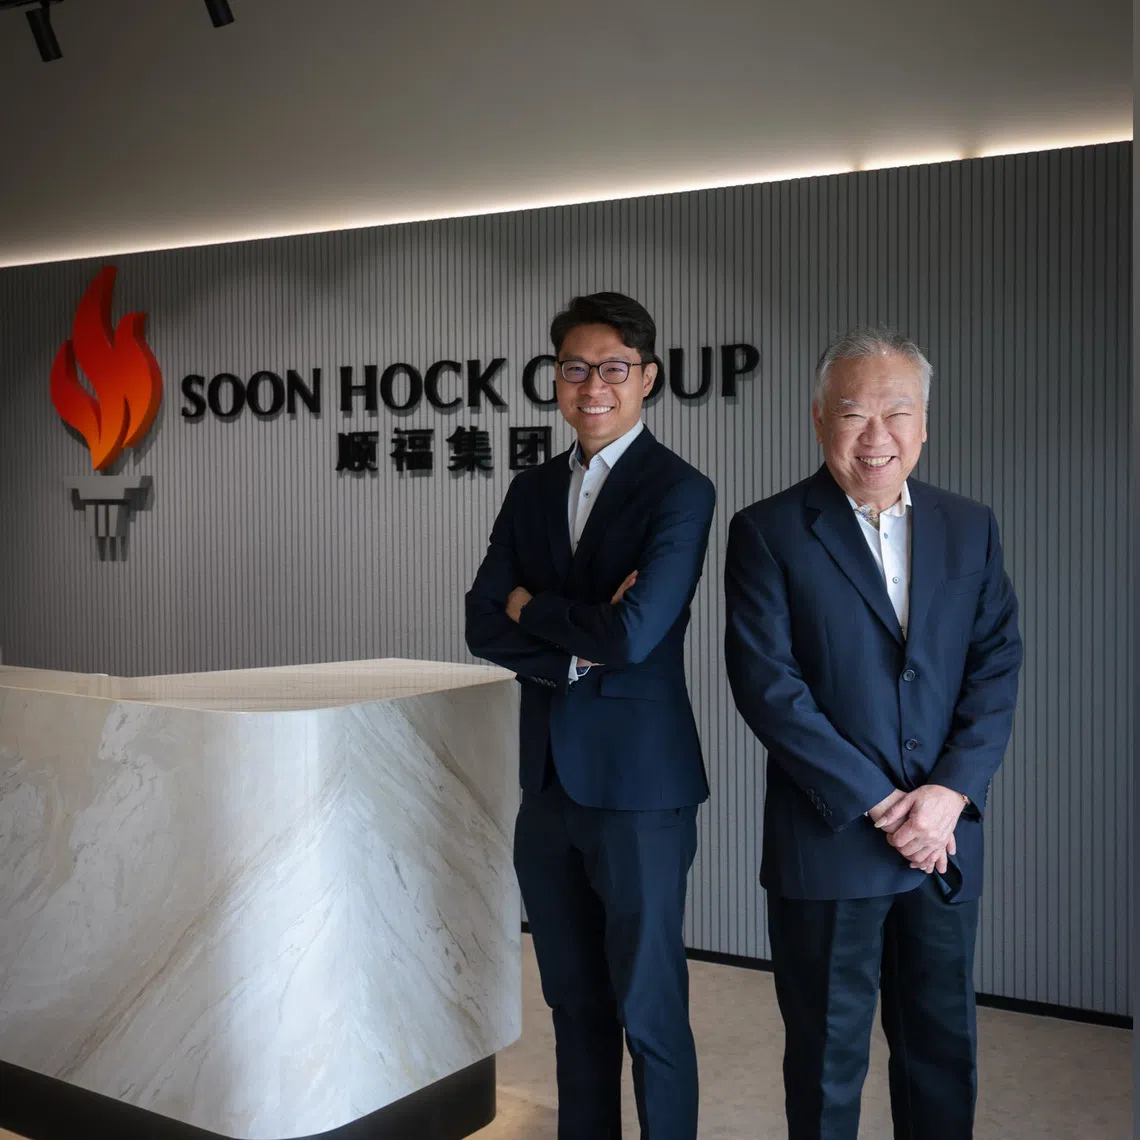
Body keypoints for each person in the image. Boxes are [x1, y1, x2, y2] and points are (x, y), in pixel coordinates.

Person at [724, 327, 1022, 1140]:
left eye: (898, 413)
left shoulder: (970, 527)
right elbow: (768, 687)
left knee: (942, 1051)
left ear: (925, 424)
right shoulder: (768, 532)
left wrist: (948, 797)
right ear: (818, 419)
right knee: (825, 1060)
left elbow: (996, 665)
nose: (876, 435)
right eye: (854, 413)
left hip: (943, 841)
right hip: (829, 840)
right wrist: (887, 804)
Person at [465, 291, 715, 1140]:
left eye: (613, 368)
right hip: (548, 791)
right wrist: (577, 633)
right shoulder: (534, 489)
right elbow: (477, 618)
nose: (592, 385)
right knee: (573, 1004)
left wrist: (533, 604)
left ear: (648, 377)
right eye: (574, 368)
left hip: (641, 792)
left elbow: (636, 634)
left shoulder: (680, 491)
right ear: (556, 380)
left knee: (649, 1011)